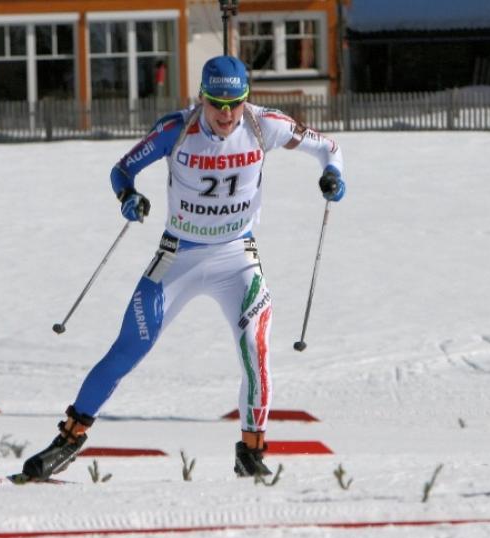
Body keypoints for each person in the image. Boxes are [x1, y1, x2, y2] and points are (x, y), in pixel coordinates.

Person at [22, 55, 345, 480]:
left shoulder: (264, 125)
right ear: (202, 98)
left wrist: (334, 176)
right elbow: (122, 170)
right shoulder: (177, 129)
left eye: (235, 102)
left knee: (256, 349)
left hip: (236, 257)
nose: (226, 114)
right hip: (179, 256)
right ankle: (68, 439)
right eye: (217, 103)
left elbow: (328, 147)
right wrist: (128, 198)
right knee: (129, 347)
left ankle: (251, 451)